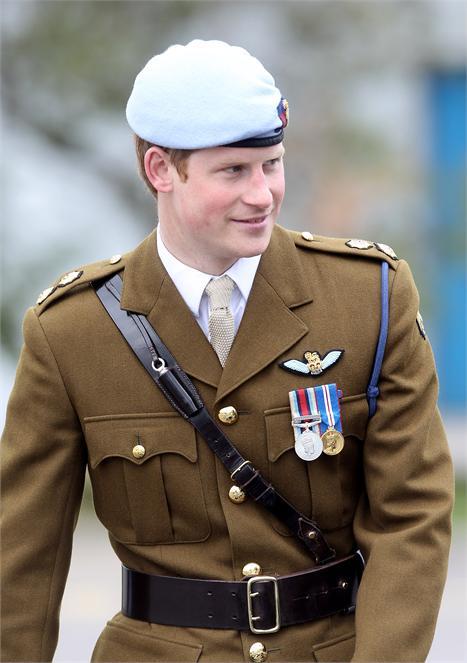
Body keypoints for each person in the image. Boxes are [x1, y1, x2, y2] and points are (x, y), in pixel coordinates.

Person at [1, 39, 453, 663]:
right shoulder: (71, 332)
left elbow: (412, 518)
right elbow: (22, 557)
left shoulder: (369, 298)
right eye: (234, 171)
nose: (263, 194)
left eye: (272, 164)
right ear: (161, 170)